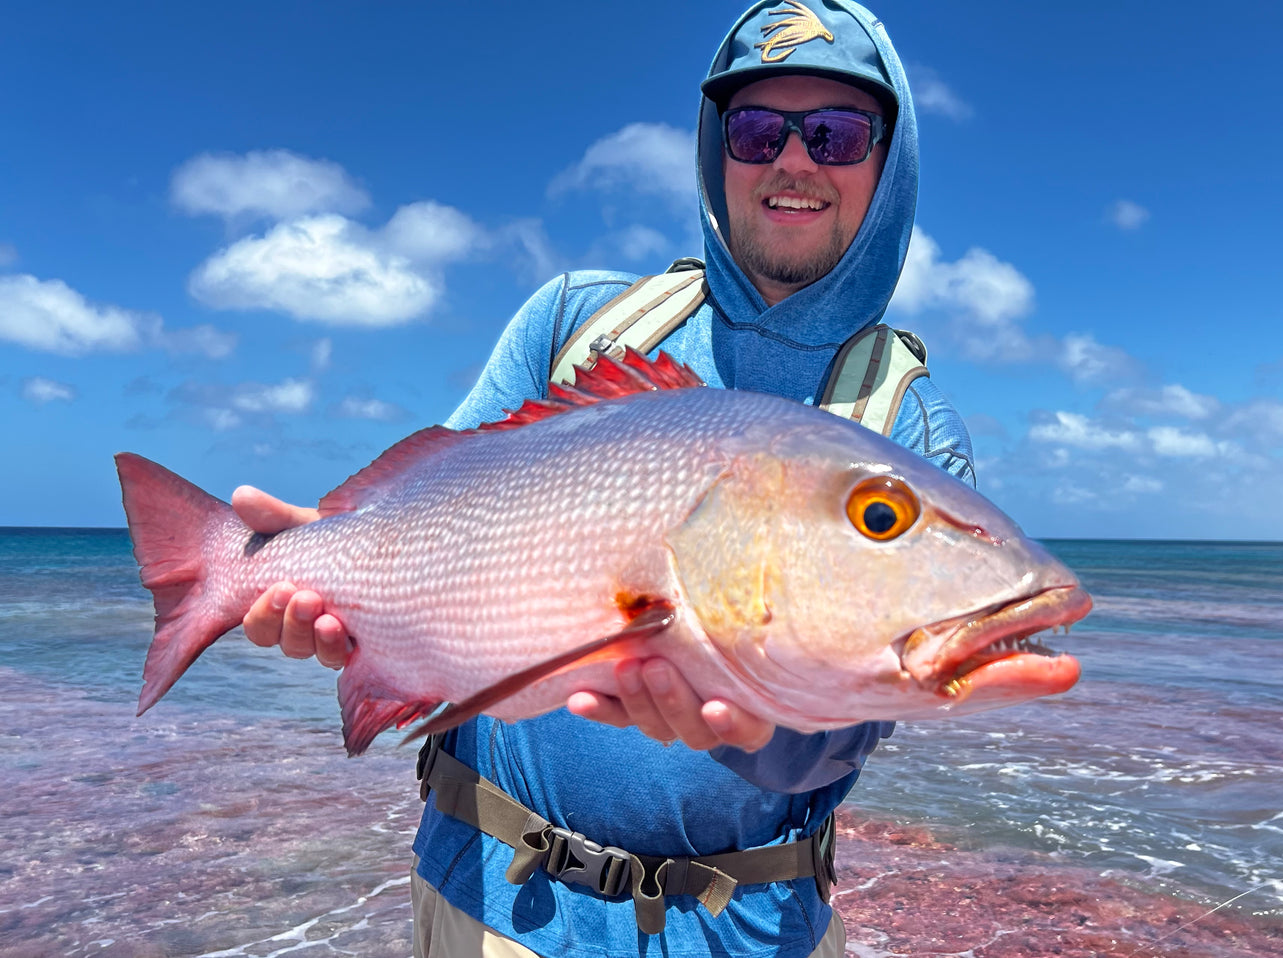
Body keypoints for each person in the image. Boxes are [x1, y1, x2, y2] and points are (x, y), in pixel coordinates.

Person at [234, 2, 975, 955]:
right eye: (757, 130)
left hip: (749, 932)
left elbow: (857, 724)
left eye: (836, 132)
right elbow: (443, 508)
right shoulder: (577, 322)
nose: (794, 161)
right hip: (489, 904)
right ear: (716, 150)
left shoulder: (906, 432)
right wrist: (335, 569)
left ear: (889, 161)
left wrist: (753, 725)